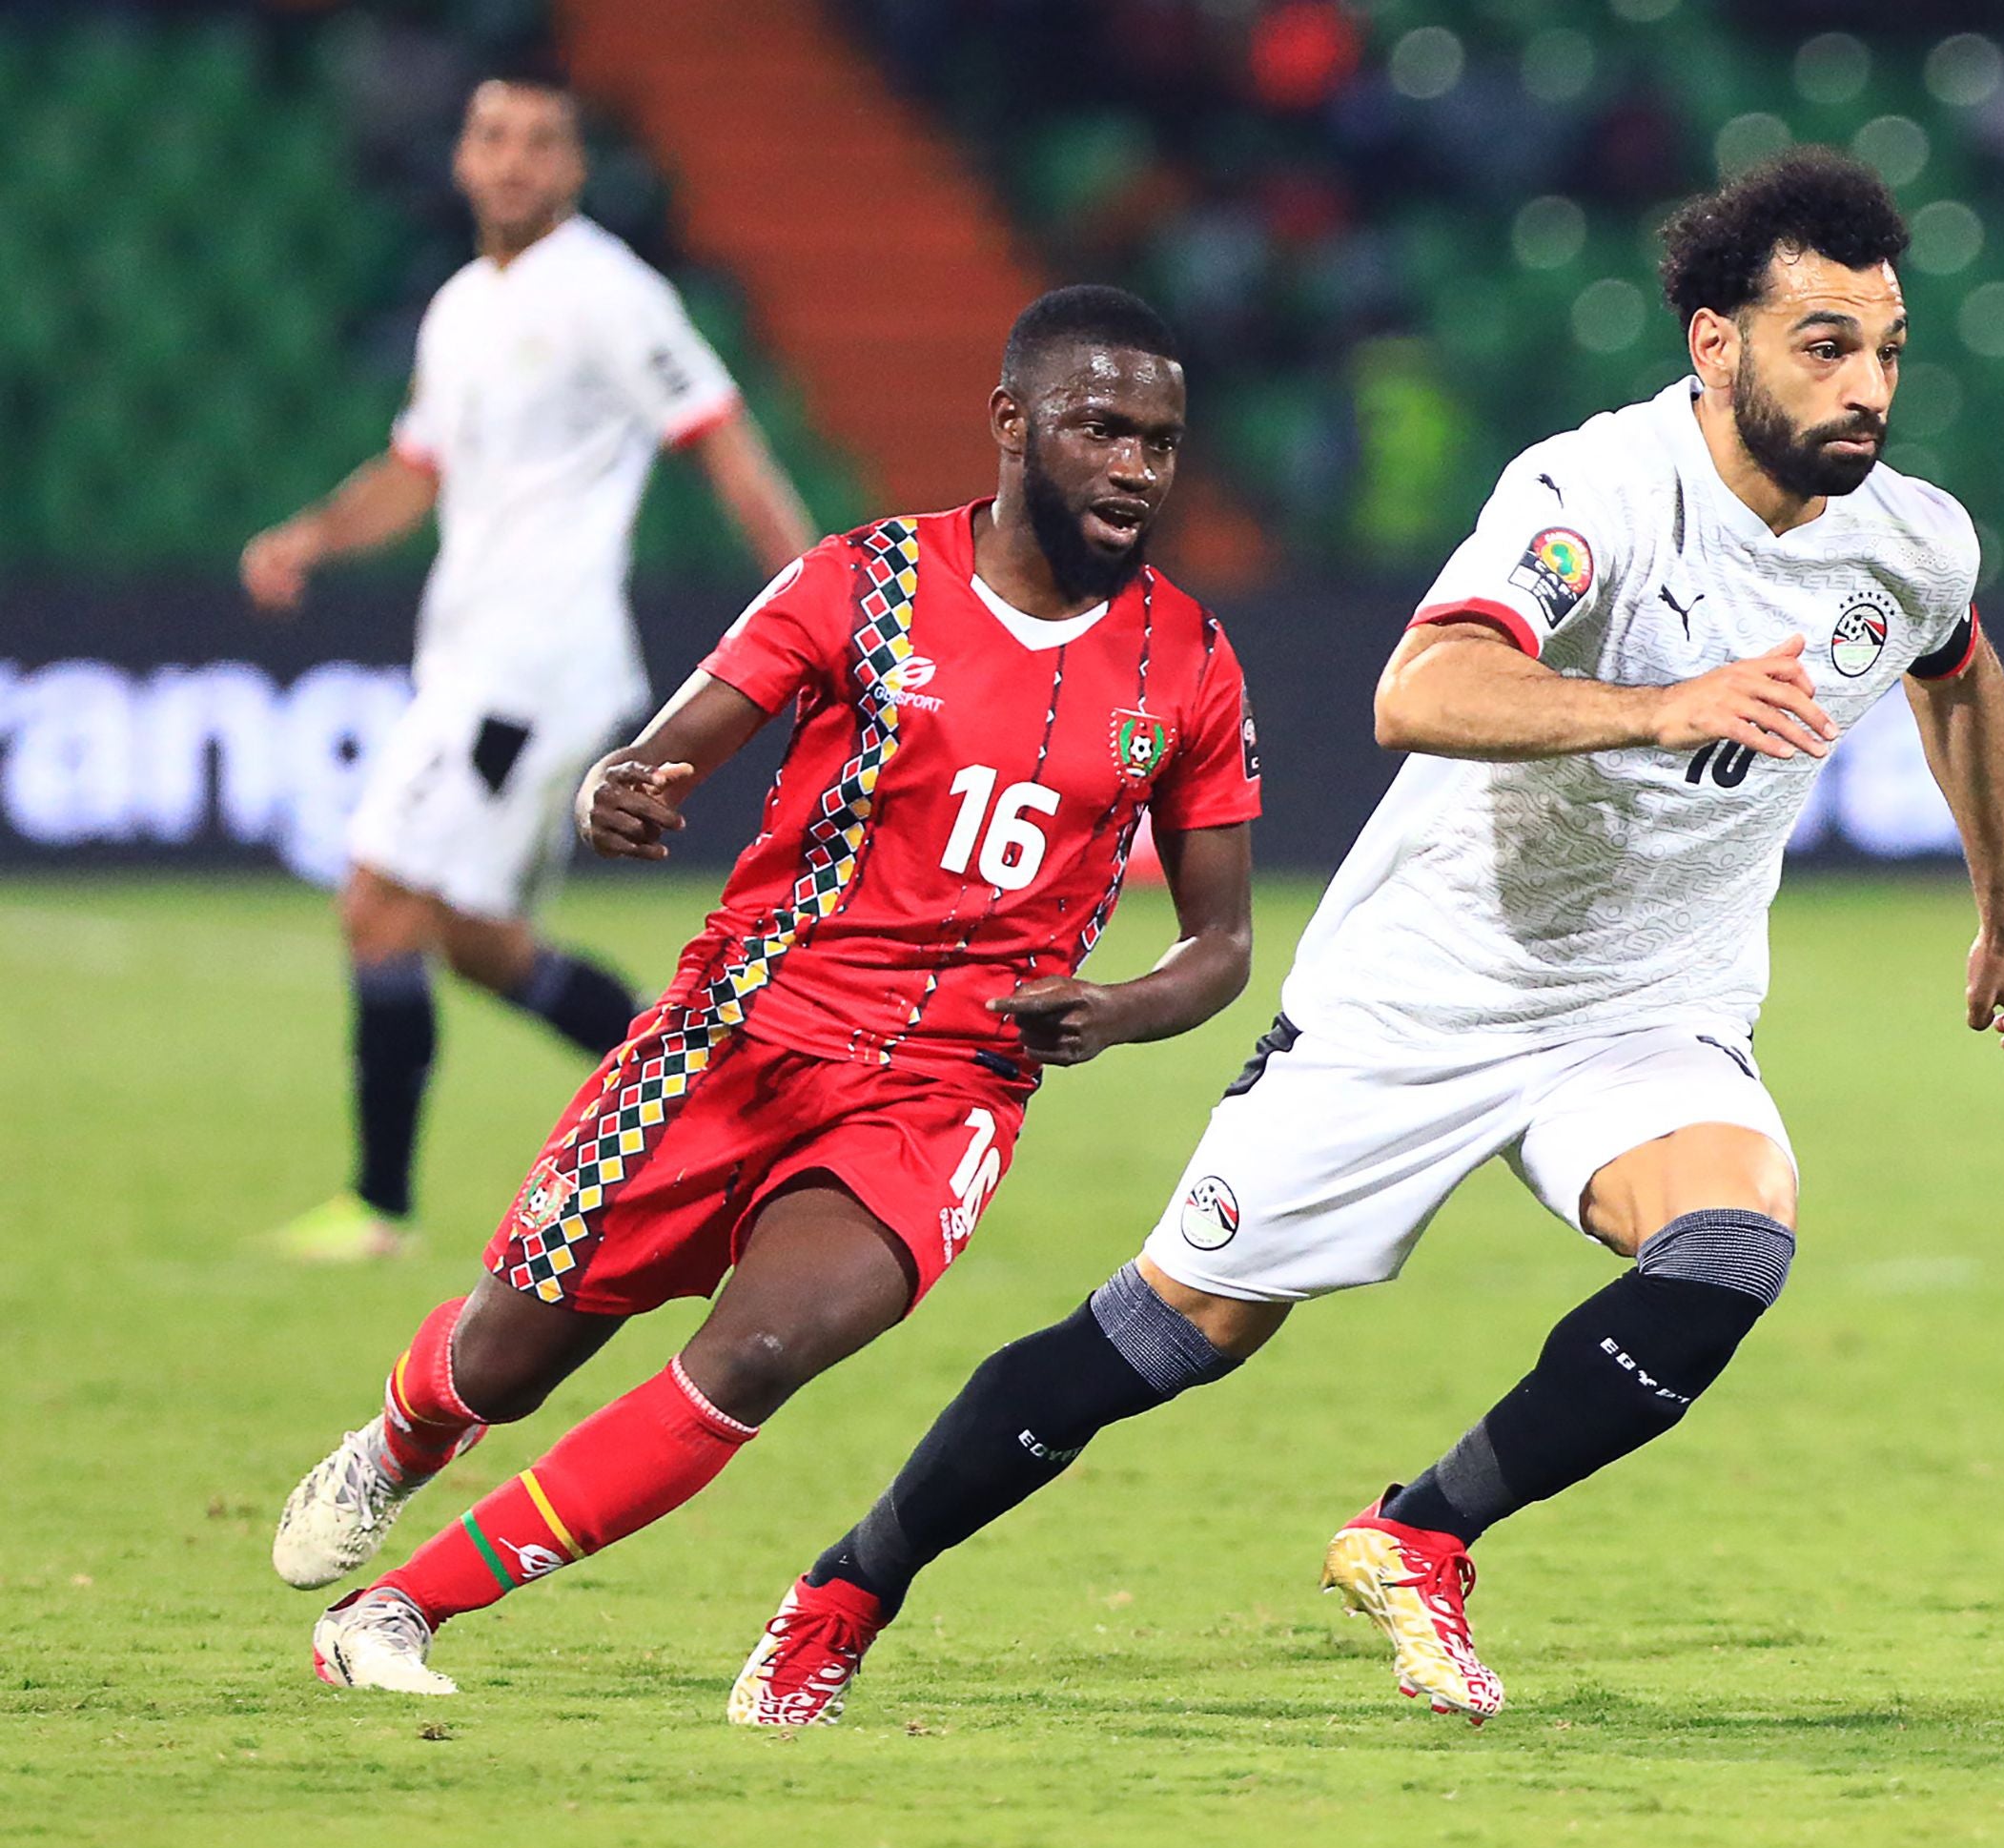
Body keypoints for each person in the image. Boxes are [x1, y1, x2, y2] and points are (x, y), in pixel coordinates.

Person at [729, 150, 2004, 1729]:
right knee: (1166, 1334)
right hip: (1422, 990)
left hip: (1647, 1001)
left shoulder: (1906, 541)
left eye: (1889, 347)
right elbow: (1417, 690)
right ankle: (845, 1588)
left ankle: (1420, 1532)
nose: (1868, 386)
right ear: (1716, 344)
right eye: (1825, 344)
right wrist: (1664, 704)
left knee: (1731, 1245)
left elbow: (1958, 672)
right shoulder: (1595, 498)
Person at [271, 286, 1264, 1697]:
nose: (1134, 467)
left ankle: (397, 1615)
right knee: (501, 1359)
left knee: (762, 1352)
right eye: (1101, 427)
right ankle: (400, 1443)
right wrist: (633, 781)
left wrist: (1121, 1007)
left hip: (944, 1093)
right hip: (741, 1034)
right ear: (1009, 426)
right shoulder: (863, 580)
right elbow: (682, 740)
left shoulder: (1191, 662)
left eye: (1159, 441)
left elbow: (1219, 946)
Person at [240, 67, 816, 1263]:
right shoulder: (460, 305)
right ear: (462, 157)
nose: (511, 160)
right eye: (492, 136)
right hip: (472, 656)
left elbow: (723, 442)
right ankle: (733, 1106)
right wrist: (314, 532)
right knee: (478, 940)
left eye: (538, 142)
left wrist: (823, 602)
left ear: (572, 169)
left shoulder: (609, 293)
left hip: (532, 666)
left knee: (376, 903)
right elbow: (418, 466)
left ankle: (379, 1208)